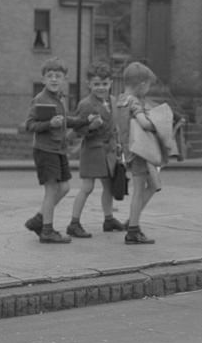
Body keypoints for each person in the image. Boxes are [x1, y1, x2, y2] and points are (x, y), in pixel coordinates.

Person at [24, 57, 79, 244]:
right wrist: (49, 124)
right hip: (45, 150)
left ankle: (39, 219)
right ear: (43, 80)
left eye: (58, 76)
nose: (54, 79)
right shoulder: (40, 99)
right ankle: (47, 230)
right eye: (50, 76)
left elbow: (66, 120)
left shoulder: (59, 98)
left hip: (59, 150)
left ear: (64, 79)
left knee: (65, 187)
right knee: (51, 189)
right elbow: (30, 125)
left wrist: (86, 121)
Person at [66, 61, 124, 237]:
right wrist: (90, 127)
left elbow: (115, 126)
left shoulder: (112, 101)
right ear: (89, 84)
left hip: (110, 150)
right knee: (87, 187)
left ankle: (108, 219)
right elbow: (75, 131)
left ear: (111, 83)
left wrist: (119, 144)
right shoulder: (85, 104)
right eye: (96, 84)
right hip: (92, 150)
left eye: (104, 84)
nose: (101, 88)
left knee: (108, 186)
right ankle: (74, 223)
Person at [113, 61, 164, 244]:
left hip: (129, 150)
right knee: (140, 189)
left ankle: (132, 220)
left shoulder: (120, 99)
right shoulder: (134, 101)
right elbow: (143, 123)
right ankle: (133, 230)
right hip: (140, 151)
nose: (148, 90)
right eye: (148, 86)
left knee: (151, 185)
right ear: (142, 84)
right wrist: (158, 125)